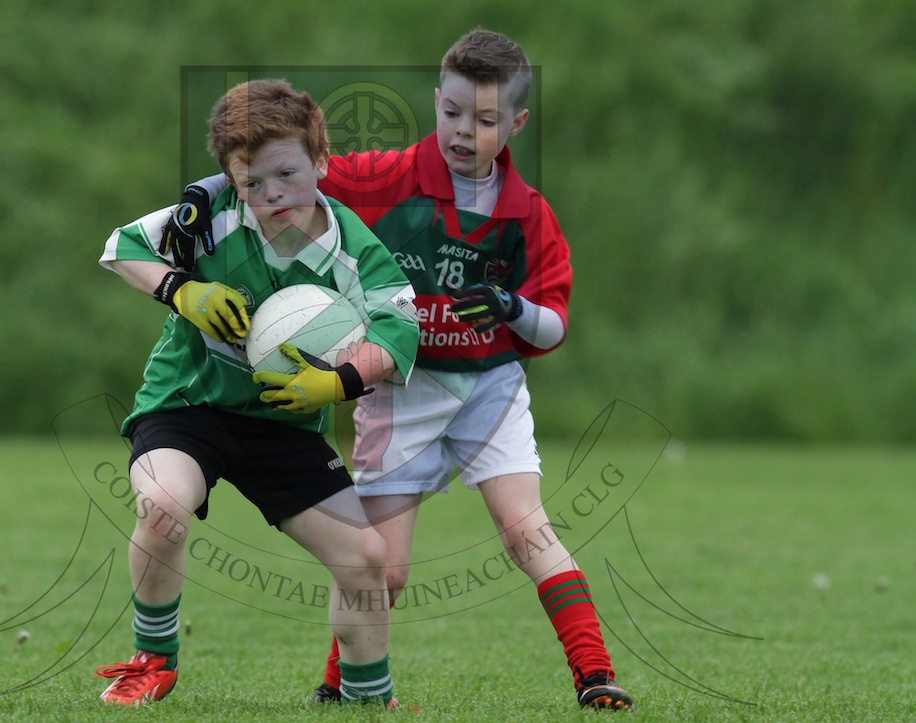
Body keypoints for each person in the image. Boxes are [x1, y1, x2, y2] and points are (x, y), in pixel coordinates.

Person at [172, 29, 633, 711]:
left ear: (517, 122)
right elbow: (292, 166)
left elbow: (555, 323)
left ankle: (595, 673)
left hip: (488, 387)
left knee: (524, 527)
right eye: (451, 112)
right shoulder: (386, 176)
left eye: (484, 120)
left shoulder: (528, 213)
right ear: (436, 101)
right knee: (382, 569)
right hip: (398, 391)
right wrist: (207, 192)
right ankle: (339, 683)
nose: (462, 130)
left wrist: (512, 306)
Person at [93, 78, 420, 708]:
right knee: (162, 507)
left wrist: (336, 382)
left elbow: (399, 330)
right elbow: (122, 246)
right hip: (188, 405)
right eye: (251, 183)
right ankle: (152, 660)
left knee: (364, 556)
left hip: (284, 425)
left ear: (322, 162)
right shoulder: (208, 217)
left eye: (287, 175)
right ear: (231, 180)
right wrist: (181, 290)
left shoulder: (352, 248)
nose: (271, 195)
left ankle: (366, 697)